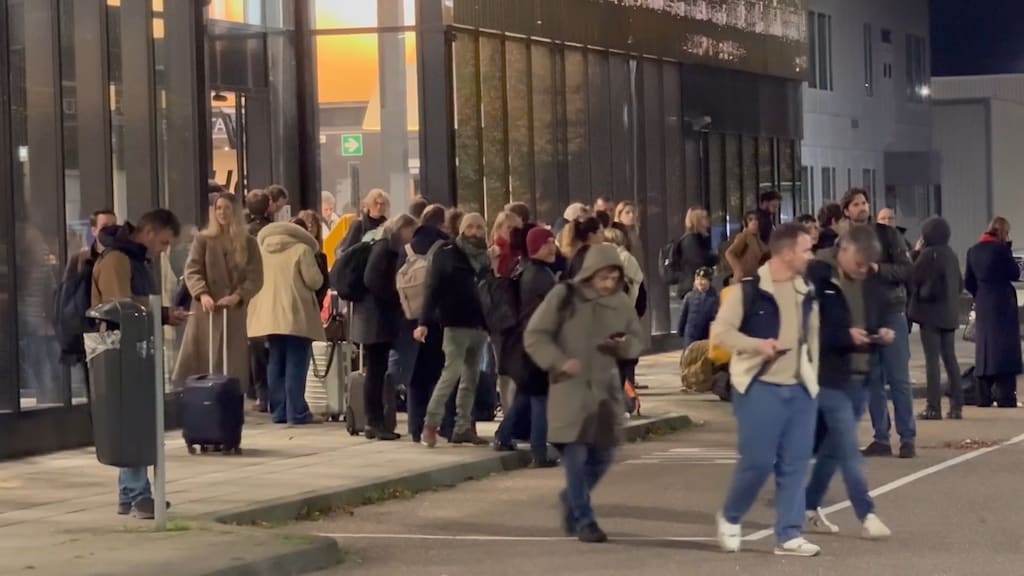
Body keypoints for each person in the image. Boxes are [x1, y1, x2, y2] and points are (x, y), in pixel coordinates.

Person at [712, 223, 820, 557]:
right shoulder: (749, 290)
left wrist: (815, 379)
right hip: (759, 386)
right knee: (758, 462)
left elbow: (813, 338)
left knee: (795, 464)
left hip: (800, 389)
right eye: (806, 249)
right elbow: (721, 334)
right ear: (786, 253)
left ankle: (789, 534)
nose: (811, 255)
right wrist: (758, 345)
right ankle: (730, 516)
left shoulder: (806, 291)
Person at [524, 243, 644, 543]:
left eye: (613, 278)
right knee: (575, 458)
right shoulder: (564, 296)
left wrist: (623, 346)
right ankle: (584, 519)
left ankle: (572, 499)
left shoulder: (620, 304)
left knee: (602, 457)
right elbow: (535, 335)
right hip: (570, 391)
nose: (608, 284)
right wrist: (559, 362)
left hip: (605, 393)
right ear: (590, 273)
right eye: (603, 277)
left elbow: (637, 339)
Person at [90, 209, 187, 519]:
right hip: (122, 350)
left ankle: (128, 492)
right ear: (148, 233)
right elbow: (122, 307)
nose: (163, 249)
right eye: (163, 242)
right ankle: (138, 493)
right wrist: (161, 314)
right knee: (133, 421)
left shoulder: (130, 258)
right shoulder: (119, 259)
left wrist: (163, 313)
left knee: (130, 419)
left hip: (130, 347)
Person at [803, 224, 893, 540]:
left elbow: (872, 316)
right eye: (858, 263)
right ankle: (866, 512)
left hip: (860, 375)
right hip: (828, 377)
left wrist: (879, 331)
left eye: (868, 266)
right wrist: (844, 336)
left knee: (832, 451)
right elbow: (809, 328)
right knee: (849, 449)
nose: (863, 270)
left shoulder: (867, 281)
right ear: (844, 251)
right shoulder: (819, 276)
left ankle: (807, 506)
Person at [841, 189, 916, 459]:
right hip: (863, 314)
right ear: (847, 211)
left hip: (891, 310)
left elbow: (908, 270)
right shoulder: (845, 241)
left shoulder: (888, 235)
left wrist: (878, 269)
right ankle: (881, 438)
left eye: (864, 203)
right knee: (872, 379)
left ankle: (907, 438)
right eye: (855, 204)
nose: (862, 207)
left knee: (899, 379)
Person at [173, 193, 264, 397]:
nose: (222, 213)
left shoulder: (248, 242)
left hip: (233, 310)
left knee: (231, 360)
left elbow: (255, 276)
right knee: (202, 358)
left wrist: (238, 295)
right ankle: (201, 398)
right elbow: (192, 270)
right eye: (218, 208)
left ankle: (229, 399)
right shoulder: (203, 239)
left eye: (227, 208)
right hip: (206, 309)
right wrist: (202, 293)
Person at [417, 212, 492, 447]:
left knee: (471, 378)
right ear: (461, 229)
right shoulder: (447, 254)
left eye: (480, 228)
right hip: (454, 322)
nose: (476, 232)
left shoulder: (485, 258)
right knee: (451, 374)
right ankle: (430, 425)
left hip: (479, 324)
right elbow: (432, 288)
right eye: (471, 227)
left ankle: (463, 427)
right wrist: (423, 322)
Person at [246, 221, 325, 425]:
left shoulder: (262, 251)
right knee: (296, 362)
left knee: (275, 361)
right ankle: (297, 412)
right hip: (295, 312)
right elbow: (314, 280)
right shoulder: (302, 249)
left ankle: (279, 411)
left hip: (269, 314)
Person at [494, 227, 560, 467]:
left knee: (527, 395)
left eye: (552, 241)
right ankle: (539, 454)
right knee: (540, 397)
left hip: (525, 344)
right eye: (546, 244)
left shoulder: (529, 271)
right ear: (534, 248)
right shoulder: (540, 276)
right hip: (536, 344)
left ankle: (503, 437)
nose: (551, 246)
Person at [353, 214, 419, 440]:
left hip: (373, 318)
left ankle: (376, 421)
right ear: (401, 230)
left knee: (377, 370)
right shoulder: (384, 249)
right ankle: (374, 421)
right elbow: (372, 279)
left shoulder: (386, 247)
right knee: (375, 371)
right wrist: (395, 296)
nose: (412, 236)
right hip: (375, 319)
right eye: (411, 231)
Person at [909, 217, 965, 419]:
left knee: (932, 361)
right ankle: (957, 405)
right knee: (950, 359)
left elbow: (911, 276)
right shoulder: (951, 254)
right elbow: (959, 285)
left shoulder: (928, 254)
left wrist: (915, 252)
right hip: (949, 314)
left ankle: (933, 407)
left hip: (930, 314)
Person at [965, 216, 1022, 408]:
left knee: (984, 349)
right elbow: (1014, 273)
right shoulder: (1001, 250)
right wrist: (1007, 249)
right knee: (1005, 350)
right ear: (1003, 232)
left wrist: (980, 294)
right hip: (1003, 303)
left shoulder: (973, 251)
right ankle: (1006, 396)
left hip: (983, 302)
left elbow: (968, 282)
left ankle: (983, 396)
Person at [406, 205, 450, 443]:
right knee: (439, 373)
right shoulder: (444, 246)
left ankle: (414, 427)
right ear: (442, 224)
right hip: (436, 317)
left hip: (410, 317)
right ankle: (437, 424)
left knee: (416, 376)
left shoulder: (408, 245)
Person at [60, 209, 117, 365]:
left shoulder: (122, 257)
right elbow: (68, 293)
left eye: (114, 225)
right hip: (89, 328)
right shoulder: (80, 259)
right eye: (105, 226)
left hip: (114, 329)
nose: (110, 230)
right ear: (94, 230)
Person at [246, 191, 273, 411]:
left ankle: (261, 394)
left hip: (251, 295)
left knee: (256, 347)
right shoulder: (272, 231)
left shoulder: (245, 234)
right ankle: (270, 393)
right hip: (269, 292)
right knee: (271, 346)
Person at [672, 207, 717, 298]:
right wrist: (713, 258)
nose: (708, 220)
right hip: (692, 286)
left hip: (697, 285)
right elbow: (697, 262)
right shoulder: (691, 240)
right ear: (697, 220)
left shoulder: (698, 238)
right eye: (704, 217)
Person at [339, 188, 390, 253]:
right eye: (376, 203)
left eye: (382, 204)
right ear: (370, 204)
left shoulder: (387, 226)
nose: (379, 207)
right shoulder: (359, 225)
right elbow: (347, 249)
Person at [677, 267, 718, 349]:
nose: (700, 282)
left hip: (707, 336)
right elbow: (683, 316)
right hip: (691, 336)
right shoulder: (689, 297)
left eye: (703, 279)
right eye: (697, 279)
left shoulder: (715, 298)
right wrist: (680, 331)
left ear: (709, 281)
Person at [725, 211, 768, 285]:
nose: (754, 222)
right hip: (746, 280)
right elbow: (729, 253)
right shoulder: (744, 236)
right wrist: (738, 270)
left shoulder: (758, 239)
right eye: (750, 220)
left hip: (756, 279)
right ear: (745, 223)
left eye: (756, 219)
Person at [490, 210, 524, 277]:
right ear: (498, 229)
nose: (512, 231)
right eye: (509, 227)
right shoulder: (494, 252)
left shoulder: (520, 251)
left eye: (515, 228)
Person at [614, 201, 644, 267]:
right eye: (627, 213)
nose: (631, 215)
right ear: (619, 215)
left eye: (633, 212)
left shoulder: (636, 231)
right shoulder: (616, 233)